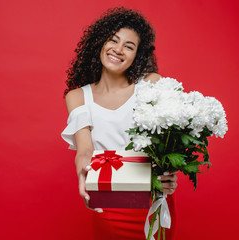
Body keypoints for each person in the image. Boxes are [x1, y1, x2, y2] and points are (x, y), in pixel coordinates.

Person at [61, 7, 178, 240]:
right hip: (109, 203)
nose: (118, 49)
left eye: (129, 46)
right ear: (100, 43)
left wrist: (172, 173)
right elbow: (85, 150)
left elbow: (169, 142)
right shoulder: (77, 96)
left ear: (138, 55)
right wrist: (82, 176)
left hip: (153, 202)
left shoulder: (151, 85)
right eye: (113, 40)